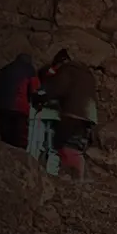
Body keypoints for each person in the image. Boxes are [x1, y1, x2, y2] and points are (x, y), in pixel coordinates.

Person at [35, 49, 98, 179]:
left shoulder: (68, 70)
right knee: (76, 149)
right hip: (89, 118)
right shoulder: (86, 73)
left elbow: (56, 88)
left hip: (73, 114)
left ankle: (59, 177)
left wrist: (41, 98)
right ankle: (79, 180)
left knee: (62, 147)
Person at [0, 53, 37, 149]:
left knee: (5, 138)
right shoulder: (30, 71)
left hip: (2, 107)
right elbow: (34, 91)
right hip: (19, 108)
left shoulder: (4, 70)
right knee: (18, 140)